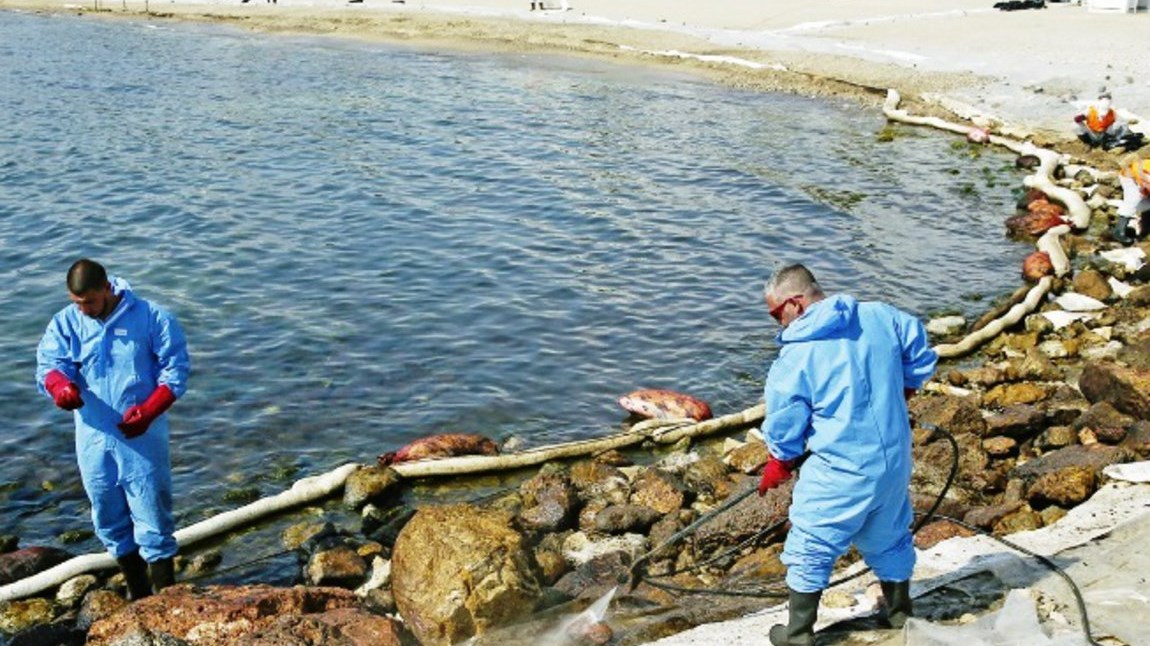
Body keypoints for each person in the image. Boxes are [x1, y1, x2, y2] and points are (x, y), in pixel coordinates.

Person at [756, 264, 938, 646]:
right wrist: (904, 390)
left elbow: (786, 419)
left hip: (842, 469)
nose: (777, 324)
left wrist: (780, 461)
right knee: (889, 533)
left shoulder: (797, 356)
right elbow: (920, 351)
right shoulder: (880, 316)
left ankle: (798, 633)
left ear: (796, 303)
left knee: (812, 540)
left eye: (777, 314)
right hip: (892, 460)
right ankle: (899, 615)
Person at [36, 259, 190, 600]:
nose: (84, 309)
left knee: (152, 514)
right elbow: (50, 364)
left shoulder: (153, 318)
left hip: (142, 438)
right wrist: (60, 387)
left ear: (107, 288)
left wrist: (150, 410)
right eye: (77, 303)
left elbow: (175, 371)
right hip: (93, 436)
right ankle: (139, 596)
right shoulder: (66, 323)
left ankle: (166, 598)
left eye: (89, 301)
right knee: (107, 515)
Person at [1073, 92, 1143, 151]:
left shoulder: (1112, 113)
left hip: (1105, 136)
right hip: (1092, 134)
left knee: (1120, 125)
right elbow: (1077, 119)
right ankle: (1089, 144)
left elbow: (1122, 124)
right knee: (1075, 126)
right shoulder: (1090, 110)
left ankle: (1107, 144)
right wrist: (1081, 117)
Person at [1113, 152, 1150, 245]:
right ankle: (1119, 231)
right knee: (1133, 199)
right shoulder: (1144, 170)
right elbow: (1145, 183)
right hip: (1129, 177)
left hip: (1141, 179)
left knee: (1147, 203)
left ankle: (1145, 229)